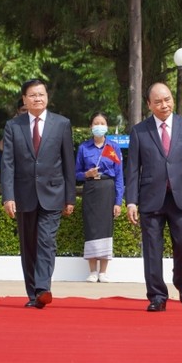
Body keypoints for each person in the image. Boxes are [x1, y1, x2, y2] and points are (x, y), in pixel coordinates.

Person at [125, 82, 182, 312]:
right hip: (151, 199)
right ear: (149, 105)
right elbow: (132, 169)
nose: (164, 105)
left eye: (168, 99)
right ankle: (157, 296)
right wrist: (131, 201)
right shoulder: (139, 131)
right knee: (152, 250)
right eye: (159, 101)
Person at [1, 79, 76, 309]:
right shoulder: (14, 126)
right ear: (24, 99)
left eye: (41, 94)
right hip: (24, 194)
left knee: (46, 241)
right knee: (29, 246)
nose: (37, 98)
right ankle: (33, 293)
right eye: (32, 95)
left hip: (53, 193)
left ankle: (43, 288)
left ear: (47, 97)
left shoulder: (61, 124)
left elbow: (68, 163)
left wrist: (70, 197)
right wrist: (8, 196)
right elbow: (8, 163)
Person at [75, 112, 124, 283]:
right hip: (90, 189)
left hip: (107, 189)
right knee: (91, 227)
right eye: (96, 123)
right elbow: (76, 174)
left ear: (107, 126)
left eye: (102, 123)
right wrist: (86, 174)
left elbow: (119, 176)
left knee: (105, 228)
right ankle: (92, 271)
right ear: (91, 127)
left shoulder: (113, 147)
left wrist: (118, 201)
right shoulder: (83, 148)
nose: (99, 126)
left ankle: (103, 271)